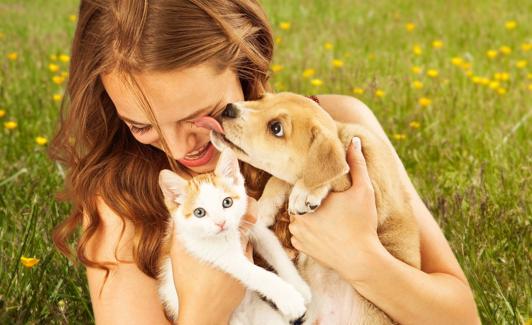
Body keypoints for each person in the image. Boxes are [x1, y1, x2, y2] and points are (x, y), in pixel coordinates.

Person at [49, 0, 480, 324]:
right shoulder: (122, 207)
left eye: (201, 114)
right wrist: (202, 309)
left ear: (245, 62)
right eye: (141, 126)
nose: (180, 148)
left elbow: (461, 316)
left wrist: (360, 257)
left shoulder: (336, 130)